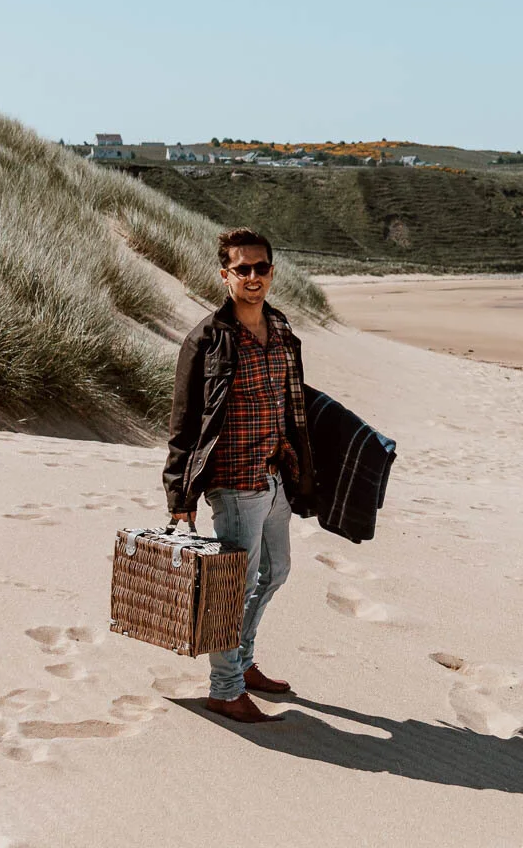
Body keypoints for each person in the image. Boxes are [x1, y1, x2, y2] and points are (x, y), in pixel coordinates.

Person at [163, 227, 315, 724]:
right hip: (232, 480)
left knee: (276, 572)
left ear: (272, 272)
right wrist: (178, 492)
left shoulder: (283, 329)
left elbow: (294, 406)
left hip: (274, 476)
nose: (253, 277)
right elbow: (183, 421)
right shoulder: (206, 339)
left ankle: (241, 660)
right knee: (233, 584)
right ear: (225, 275)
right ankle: (224, 688)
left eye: (262, 267)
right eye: (242, 269)